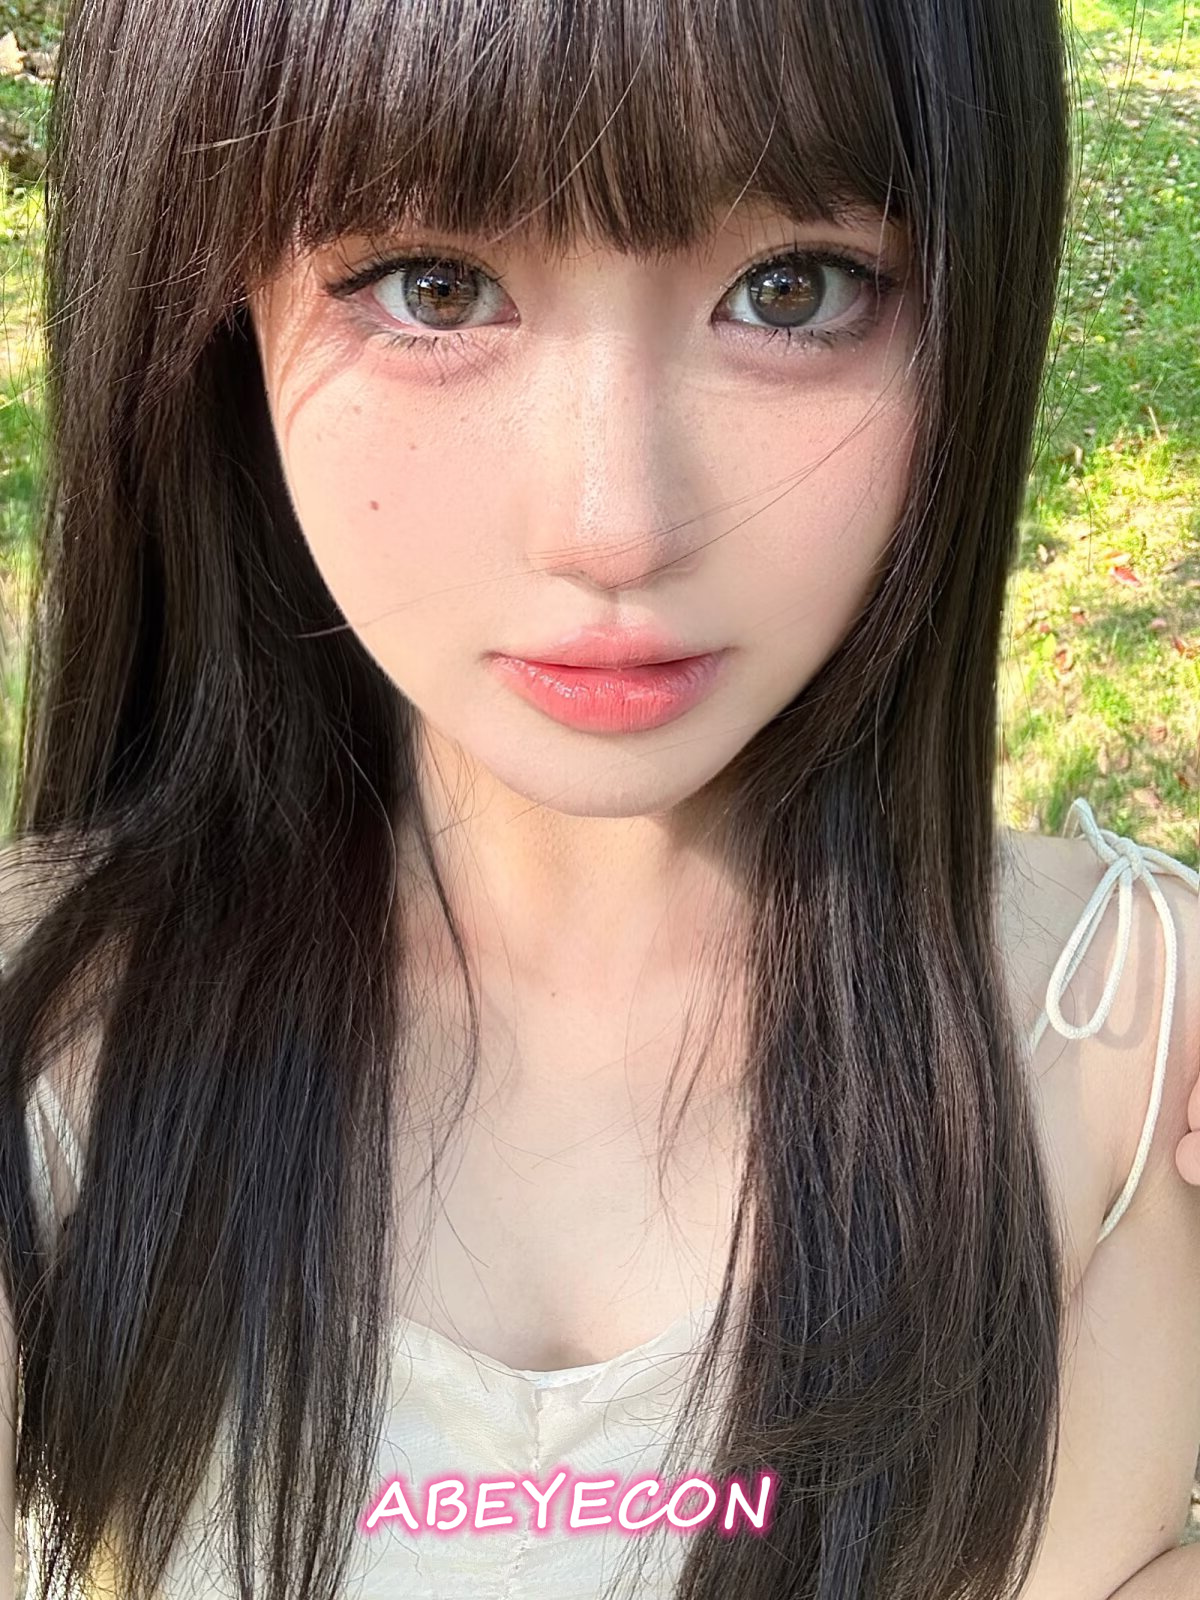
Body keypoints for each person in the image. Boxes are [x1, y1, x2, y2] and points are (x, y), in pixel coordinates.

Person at [0, 0, 1197, 1596]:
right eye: (434, 286)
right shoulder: (46, 1035)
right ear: (215, 307)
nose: (614, 525)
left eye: (794, 289)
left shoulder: (1126, 1050)